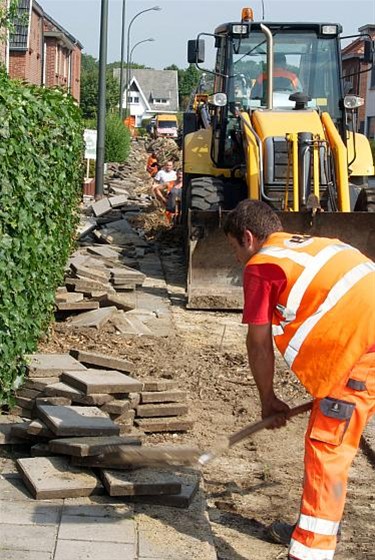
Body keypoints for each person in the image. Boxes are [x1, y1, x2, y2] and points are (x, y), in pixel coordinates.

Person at [223, 199, 375, 560]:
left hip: (358, 357)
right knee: (334, 433)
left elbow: (258, 342)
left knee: (327, 449)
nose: (237, 259)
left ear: (247, 237)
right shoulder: (314, 245)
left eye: (234, 249)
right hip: (363, 347)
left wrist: (268, 399)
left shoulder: (262, 266)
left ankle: (310, 552)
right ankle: (312, 524)